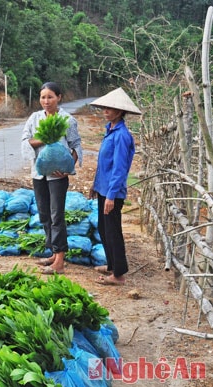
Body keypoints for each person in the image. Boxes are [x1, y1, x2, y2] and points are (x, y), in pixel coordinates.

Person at [21, 82, 82, 275]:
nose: (46, 101)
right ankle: (53, 253)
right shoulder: (35, 118)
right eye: (43, 97)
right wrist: (44, 140)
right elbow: (26, 140)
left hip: (57, 176)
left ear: (59, 97)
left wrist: (68, 168)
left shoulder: (67, 120)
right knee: (44, 214)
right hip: (38, 173)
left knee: (57, 215)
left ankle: (60, 260)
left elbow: (76, 145)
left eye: (50, 97)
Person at [88, 88, 141, 286]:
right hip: (104, 188)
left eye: (110, 108)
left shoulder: (122, 135)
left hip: (113, 192)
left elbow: (119, 169)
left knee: (113, 231)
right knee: (103, 228)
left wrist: (111, 195)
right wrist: (95, 185)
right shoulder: (109, 130)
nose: (105, 110)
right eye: (104, 107)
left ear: (119, 112)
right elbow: (104, 164)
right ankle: (111, 264)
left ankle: (118, 274)